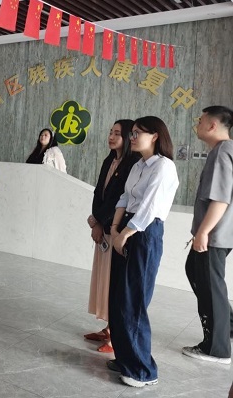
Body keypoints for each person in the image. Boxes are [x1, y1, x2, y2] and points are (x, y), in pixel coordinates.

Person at [108, 116, 179, 387]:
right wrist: (115, 229)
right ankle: (125, 358)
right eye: (132, 133)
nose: (132, 137)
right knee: (118, 297)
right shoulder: (138, 165)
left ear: (155, 136)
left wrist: (125, 234)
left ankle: (143, 370)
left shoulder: (164, 166)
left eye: (138, 133)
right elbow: (125, 198)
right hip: (126, 227)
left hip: (144, 232)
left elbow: (150, 207)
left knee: (134, 300)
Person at [182, 106, 233, 364]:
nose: (198, 124)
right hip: (219, 233)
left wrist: (203, 232)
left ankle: (217, 349)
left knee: (211, 286)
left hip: (215, 234)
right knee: (196, 272)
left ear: (212, 125)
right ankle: (227, 327)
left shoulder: (223, 151)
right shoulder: (224, 150)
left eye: (201, 120)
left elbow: (221, 199)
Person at [85, 120, 139, 353]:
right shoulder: (110, 160)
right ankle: (108, 328)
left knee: (114, 282)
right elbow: (99, 192)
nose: (112, 136)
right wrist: (95, 220)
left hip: (116, 230)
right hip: (103, 227)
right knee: (103, 279)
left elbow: (120, 199)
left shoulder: (132, 163)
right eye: (110, 132)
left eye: (118, 133)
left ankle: (116, 336)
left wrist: (102, 222)